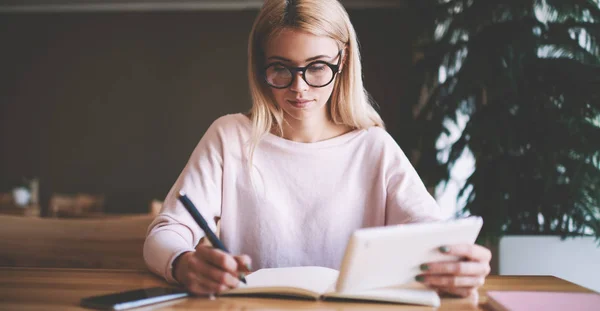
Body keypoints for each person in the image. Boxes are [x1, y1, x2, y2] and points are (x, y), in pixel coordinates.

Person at [143, 0, 491, 299]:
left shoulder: (373, 147)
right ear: (260, 66)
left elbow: (433, 235)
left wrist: (459, 264)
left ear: (343, 62)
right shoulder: (230, 137)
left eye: (317, 67)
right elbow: (165, 233)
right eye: (280, 69)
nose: (299, 88)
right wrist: (183, 264)